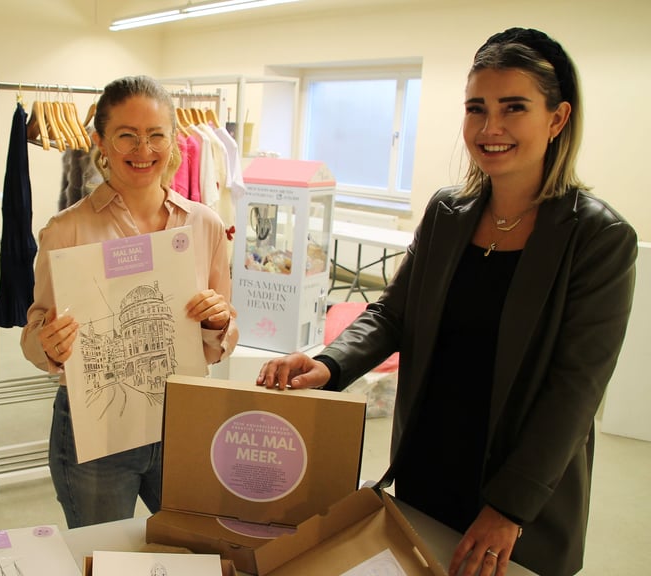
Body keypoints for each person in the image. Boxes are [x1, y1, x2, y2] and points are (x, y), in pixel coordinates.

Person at [256, 28, 636, 576]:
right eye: (476, 108)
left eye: (514, 108)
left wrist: (509, 508)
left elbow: (575, 390)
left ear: (557, 120)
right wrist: (327, 362)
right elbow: (394, 313)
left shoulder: (597, 239)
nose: (491, 127)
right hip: (428, 468)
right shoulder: (449, 213)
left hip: (517, 494)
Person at [21, 75, 239, 529]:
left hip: (180, 420)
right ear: (100, 141)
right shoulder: (66, 230)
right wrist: (50, 344)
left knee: (193, 546)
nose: (144, 150)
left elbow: (223, 335)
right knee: (103, 555)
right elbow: (34, 334)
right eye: (127, 136)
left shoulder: (205, 226)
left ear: (173, 139)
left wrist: (218, 322)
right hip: (96, 430)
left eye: (156, 135)